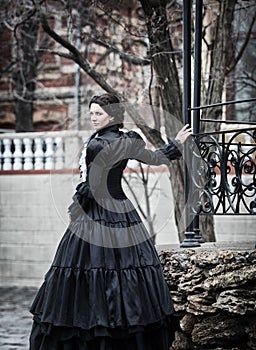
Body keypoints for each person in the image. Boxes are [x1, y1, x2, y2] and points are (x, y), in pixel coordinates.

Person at [29, 93, 192, 350]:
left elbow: (91, 187)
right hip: (122, 214)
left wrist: (78, 207)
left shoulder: (97, 145)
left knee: (94, 273)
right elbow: (154, 158)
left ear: (112, 116)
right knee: (120, 273)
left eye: (98, 114)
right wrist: (176, 145)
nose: (93, 118)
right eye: (91, 113)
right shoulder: (126, 140)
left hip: (96, 214)